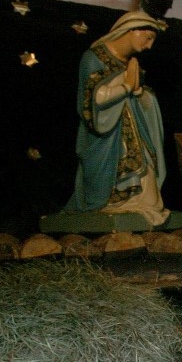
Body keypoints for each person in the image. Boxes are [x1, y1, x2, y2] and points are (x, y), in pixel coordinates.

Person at [64, 11, 171, 226]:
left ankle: (135, 205)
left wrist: (139, 92)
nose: (149, 46)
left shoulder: (132, 64)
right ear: (131, 30)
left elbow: (143, 100)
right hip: (105, 137)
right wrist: (126, 87)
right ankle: (111, 204)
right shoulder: (94, 58)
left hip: (136, 136)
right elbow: (92, 102)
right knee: (103, 184)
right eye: (148, 38)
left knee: (150, 199)